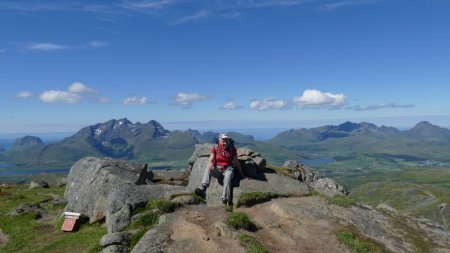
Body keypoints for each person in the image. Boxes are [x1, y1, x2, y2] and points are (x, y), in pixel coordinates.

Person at [195, 133, 247, 205]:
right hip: (218, 170)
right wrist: (210, 163)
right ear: (220, 141)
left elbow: (236, 162)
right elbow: (211, 159)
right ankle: (203, 188)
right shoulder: (215, 148)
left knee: (228, 175)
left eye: (227, 141)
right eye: (223, 141)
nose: (225, 143)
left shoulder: (232, 149)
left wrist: (242, 174)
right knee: (208, 167)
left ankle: (225, 199)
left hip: (228, 169)